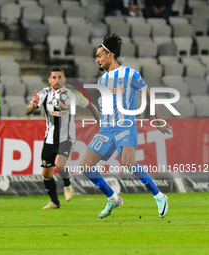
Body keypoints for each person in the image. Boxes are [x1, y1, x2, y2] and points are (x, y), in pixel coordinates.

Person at [79, 34, 171, 219]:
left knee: (128, 162)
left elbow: (147, 94)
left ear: (110, 55)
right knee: (85, 166)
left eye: (99, 56)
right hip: (106, 129)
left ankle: (159, 196)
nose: (97, 60)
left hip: (125, 126)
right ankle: (113, 198)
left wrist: (158, 118)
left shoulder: (131, 74)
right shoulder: (102, 80)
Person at [25, 67, 100, 209]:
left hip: (67, 137)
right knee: (46, 173)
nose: (57, 80)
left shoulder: (71, 94)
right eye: (54, 77)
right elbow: (27, 110)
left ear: (64, 79)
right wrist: (33, 106)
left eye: (60, 77)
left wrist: (101, 124)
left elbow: (90, 106)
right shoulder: (44, 94)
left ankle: (67, 185)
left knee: (59, 165)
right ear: (49, 80)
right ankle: (55, 202)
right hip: (49, 139)